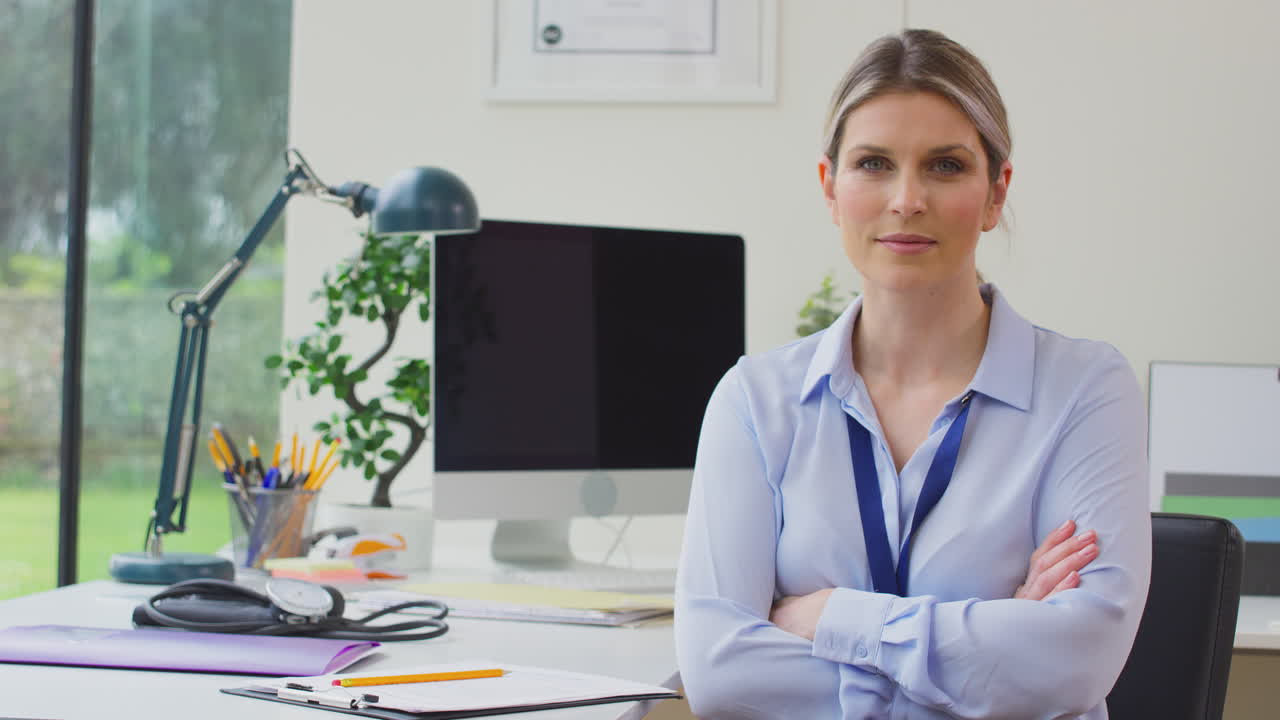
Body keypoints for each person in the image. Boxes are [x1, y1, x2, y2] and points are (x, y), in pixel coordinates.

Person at [675, 29, 1150, 719]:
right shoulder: (754, 402)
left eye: (946, 166)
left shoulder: (1085, 389)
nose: (906, 199)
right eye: (873, 163)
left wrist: (832, 617)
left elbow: (1077, 660)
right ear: (830, 189)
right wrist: (988, 646)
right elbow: (721, 677)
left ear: (996, 193)